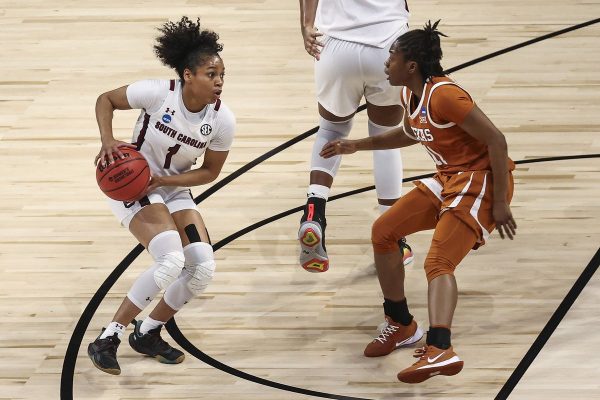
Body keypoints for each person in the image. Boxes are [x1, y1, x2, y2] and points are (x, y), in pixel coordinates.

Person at [320, 20, 516, 383]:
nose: (386, 62)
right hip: (448, 177)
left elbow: (497, 141)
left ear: (411, 65)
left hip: (480, 180)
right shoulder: (410, 94)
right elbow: (411, 133)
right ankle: (401, 324)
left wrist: (501, 202)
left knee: (438, 262)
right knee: (384, 231)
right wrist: (356, 145)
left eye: (392, 56)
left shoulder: (446, 95)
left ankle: (440, 347)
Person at [87, 16, 235, 375]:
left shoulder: (222, 120)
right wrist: (109, 141)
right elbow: (106, 99)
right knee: (170, 260)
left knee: (201, 266)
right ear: (188, 75)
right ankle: (109, 337)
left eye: (222, 75)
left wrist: (166, 182)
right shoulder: (157, 92)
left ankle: (148, 332)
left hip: (171, 187)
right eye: (211, 74)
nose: (219, 81)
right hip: (132, 186)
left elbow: (210, 172)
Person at [298, 0, 414, 275]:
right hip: (387, 44)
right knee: (386, 139)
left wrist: (306, 24)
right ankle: (393, 238)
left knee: (330, 130)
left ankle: (314, 211)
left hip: (334, 45)